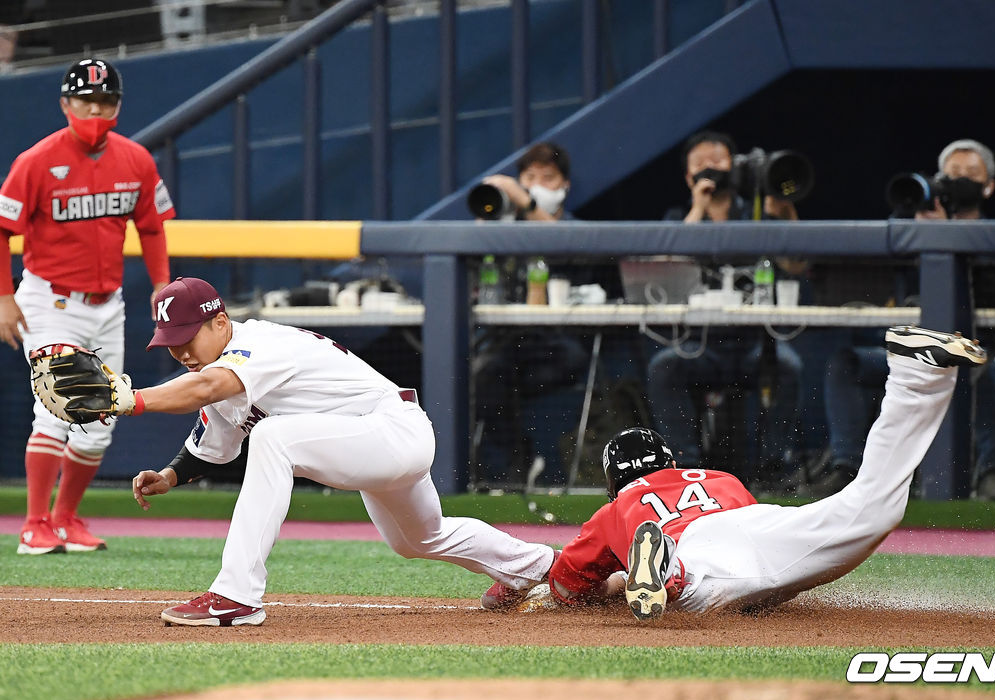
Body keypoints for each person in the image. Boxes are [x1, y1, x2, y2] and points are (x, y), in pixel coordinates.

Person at [124, 277, 556, 626]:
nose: (179, 351)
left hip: (391, 429)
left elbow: (207, 388)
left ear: (219, 322)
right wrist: (170, 475)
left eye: (185, 337)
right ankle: (549, 569)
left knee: (273, 437)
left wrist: (132, 399)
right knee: (420, 538)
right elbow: (212, 446)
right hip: (371, 441)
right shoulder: (215, 374)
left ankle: (236, 595)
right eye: (169, 341)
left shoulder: (257, 344)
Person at [537, 326, 985, 619]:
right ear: (670, 462)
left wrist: (609, 583)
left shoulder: (617, 508)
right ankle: (916, 374)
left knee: (698, 593)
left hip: (695, 548)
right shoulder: (716, 477)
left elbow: (567, 586)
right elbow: (753, 545)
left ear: (613, 482)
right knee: (871, 508)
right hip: (756, 521)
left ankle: (670, 571)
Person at [1, 58, 174, 554]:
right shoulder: (35, 161)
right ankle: (33, 524)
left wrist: (161, 282)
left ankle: (66, 519)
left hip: (108, 303)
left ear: (118, 105)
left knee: (103, 417)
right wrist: (4, 299)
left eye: (105, 101)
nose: (95, 110)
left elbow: (153, 226)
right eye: (85, 101)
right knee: (58, 406)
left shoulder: (136, 159)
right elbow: (2, 229)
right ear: (65, 104)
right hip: (49, 299)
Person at [819, 139, 995, 500]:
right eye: (951, 174)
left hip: (965, 352)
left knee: (980, 364)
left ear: (988, 185)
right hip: (905, 354)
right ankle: (846, 467)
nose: (958, 181)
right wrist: (925, 228)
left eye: (970, 175)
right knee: (845, 363)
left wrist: (953, 234)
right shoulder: (915, 221)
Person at [646, 131, 803, 489]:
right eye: (700, 164)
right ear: (688, 178)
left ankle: (774, 467)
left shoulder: (758, 212)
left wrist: (785, 211)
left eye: (718, 161)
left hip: (755, 345)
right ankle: (684, 471)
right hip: (700, 346)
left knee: (789, 367)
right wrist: (698, 209)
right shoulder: (679, 218)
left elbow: (796, 265)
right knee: (664, 367)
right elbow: (668, 269)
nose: (711, 169)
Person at [472, 142, 592, 487]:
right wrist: (489, 215)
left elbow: (560, 241)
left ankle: (522, 463)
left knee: (499, 374)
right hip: (507, 342)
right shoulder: (508, 229)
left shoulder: (573, 229)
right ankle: (516, 461)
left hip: (562, 344)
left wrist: (524, 200)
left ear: (565, 185)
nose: (537, 184)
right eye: (529, 177)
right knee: (485, 372)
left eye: (548, 178)